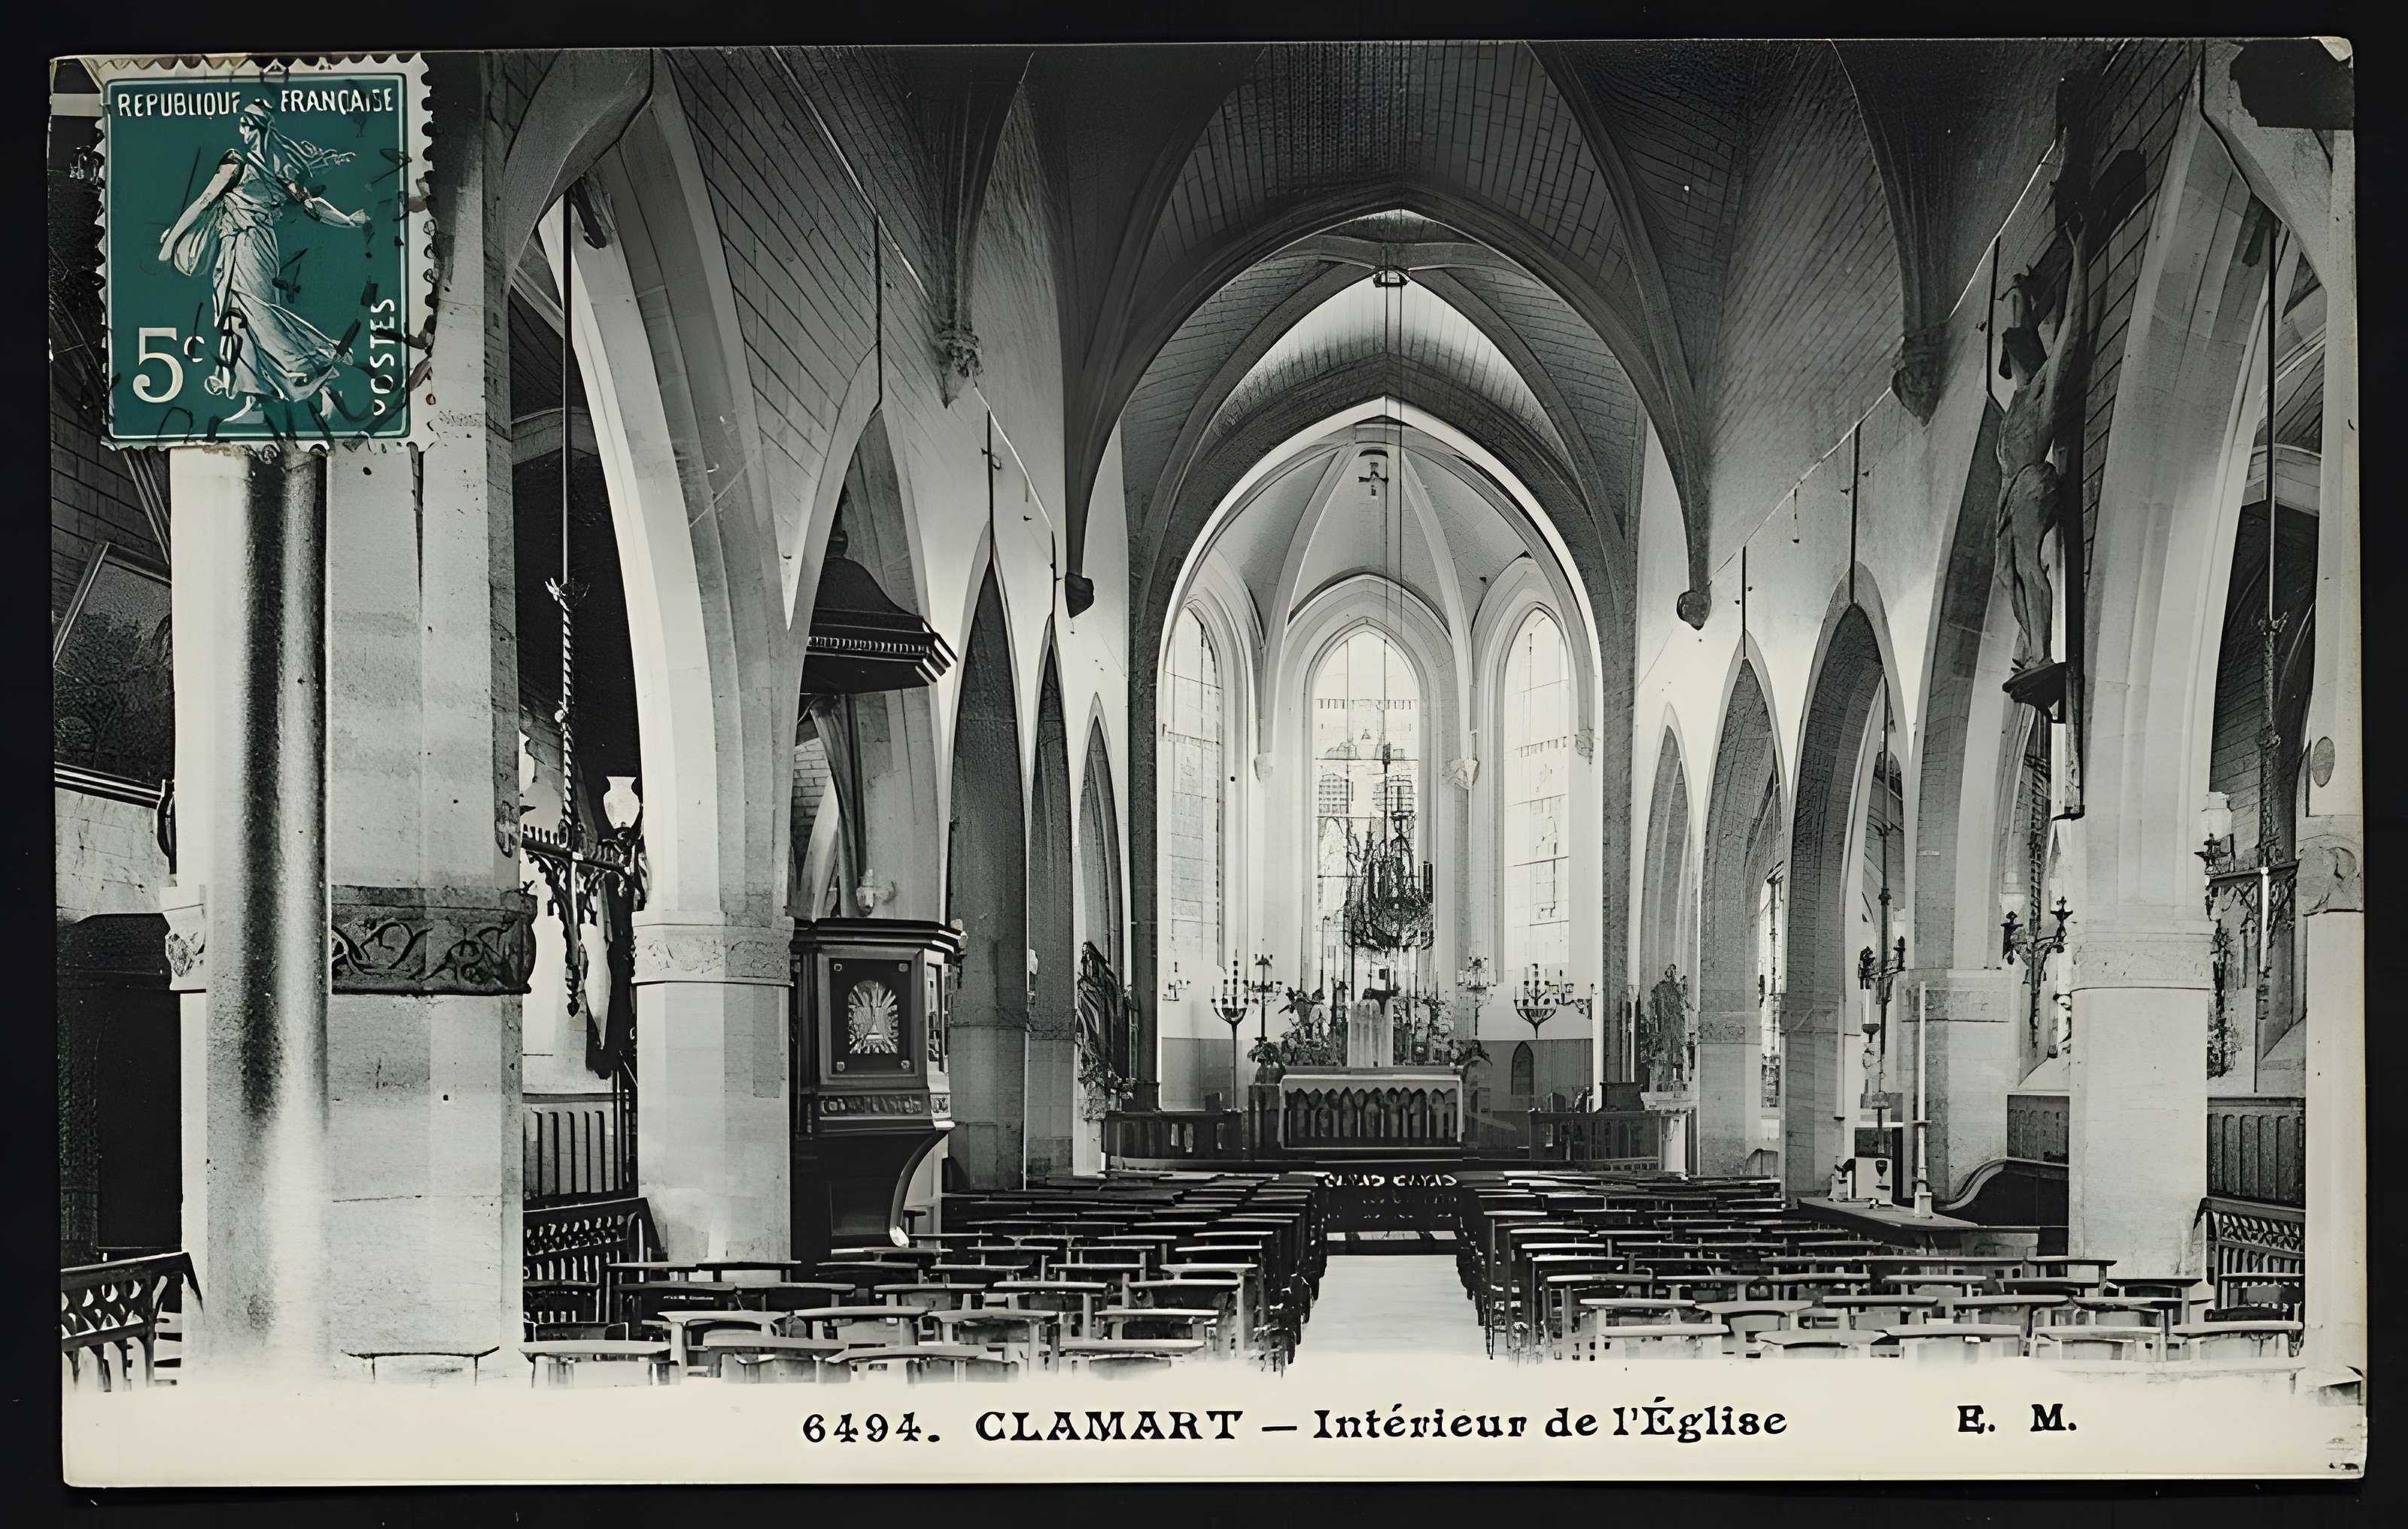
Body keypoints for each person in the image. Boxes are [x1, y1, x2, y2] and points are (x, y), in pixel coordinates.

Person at [156, 98, 369, 427]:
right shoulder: (279, 171)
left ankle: (325, 366)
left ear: (255, 128)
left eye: (245, 124)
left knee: (258, 316)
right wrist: (348, 221)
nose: (241, 130)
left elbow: (204, 201)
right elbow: (313, 205)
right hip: (241, 247)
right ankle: (254, 399)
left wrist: (171, 243)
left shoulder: (238, 164)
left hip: (249, 248)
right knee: (236, 319)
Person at [1993, 217, 2090, 673]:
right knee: (2004, 574)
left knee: (2028, 565)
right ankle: (2032, 647)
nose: (2009, 360)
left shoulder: (2042, 394)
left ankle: (2040, 653)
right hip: (2010, 491)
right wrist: (2019, 294)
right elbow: (2020, 325)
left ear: (2026, 359)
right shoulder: (2014, 404)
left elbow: (2072, 326)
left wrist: (2080, 256)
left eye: (2014, 354)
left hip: (2032, 482)